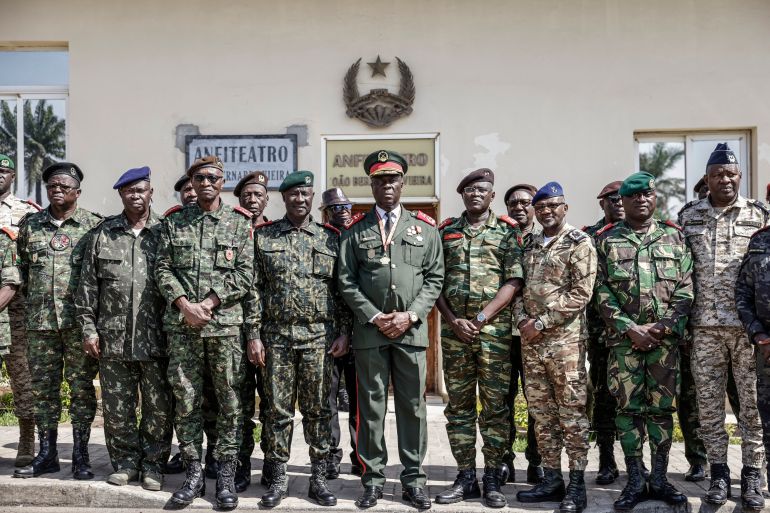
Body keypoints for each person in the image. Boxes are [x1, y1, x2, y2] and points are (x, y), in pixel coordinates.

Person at [337, 150, 444, 510]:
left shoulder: (425, 228)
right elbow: (346, 280)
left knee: (413, 408)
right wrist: (374, 315)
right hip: (370, 334)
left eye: (392, 179)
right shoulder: (355, 231)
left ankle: (413, 479)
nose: (387, 186)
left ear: (402, 184)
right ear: (372, 185)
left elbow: (434, 277)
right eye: (380, 180)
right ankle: (372, 479)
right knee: (371, 408)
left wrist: (410, 315)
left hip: (411, 334)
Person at [155, 155, 253, 509]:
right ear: (192, 183)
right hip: (183, 328)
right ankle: (194, 474)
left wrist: (208, 304)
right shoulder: (174, 223)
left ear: (222, 182)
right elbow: (162, 269)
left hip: (224, 328)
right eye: (200, 177)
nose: (207, 182)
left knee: (229, 401)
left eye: (213, 177)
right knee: (187, 401)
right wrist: (185, 306)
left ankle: (224, 475)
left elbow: (245, 274)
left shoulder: (239, 224)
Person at [248, 171, 351, 508]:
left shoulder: (330, 239)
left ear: (311, 198)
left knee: (319, 411)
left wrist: (344, 332)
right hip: (276, 337)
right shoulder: (264, 237)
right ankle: (277, 480)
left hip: (319, 338)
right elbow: (254, 291)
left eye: (306, 194)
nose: (300, 199)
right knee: (276, 412)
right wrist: (253, 335)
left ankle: (318, 480)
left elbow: (341, 292)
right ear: (284, 198)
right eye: (294, 194)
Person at [594, 172, 692, 510]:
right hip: (624, 343)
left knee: (662, 410)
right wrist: (629, 328)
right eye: (632, 196)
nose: (640, 200)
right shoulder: (606, 240)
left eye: (646, 194)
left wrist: (662, 328)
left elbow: (686, 289)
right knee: (628, 410)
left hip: (664, 345)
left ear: (654, 197)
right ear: (623, 201)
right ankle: (635, 478)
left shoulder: (675, 238)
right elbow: (600, 290)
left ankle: (661, 478)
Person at [678, 142, 767, 510]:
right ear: (707, 179)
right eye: (717, 175)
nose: (725, 180)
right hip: (704, 329)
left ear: (739, 177)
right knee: (709, 405)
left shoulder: (758, 215)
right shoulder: (689, 217)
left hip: (749, 330)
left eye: (730, 174)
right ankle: (717, 475)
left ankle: (751, 477)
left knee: (752, 407)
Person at [75, 166, 172, 491]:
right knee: (118, 410)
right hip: (113, 339)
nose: (135, 195)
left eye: (141, 190)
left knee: (158, 409)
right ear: (121, 195)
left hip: (157, 339)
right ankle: (126, 464)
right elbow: (87, 287)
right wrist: (88, 329)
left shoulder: (166, 232)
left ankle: (154, 466)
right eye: (129, 191)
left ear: (151, 193)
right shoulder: (104, 234)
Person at [434, 169, 522, 508]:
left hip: (493, 335)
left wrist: (481, 318)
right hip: (455, 334)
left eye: (481, 190)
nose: (475, 194)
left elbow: (513, 281)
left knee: (496, 408)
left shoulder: (506, 232)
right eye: (469, 189)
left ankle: (493, 477)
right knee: (459, 408)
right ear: (462, 195)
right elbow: (435, 280)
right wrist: (454, 320)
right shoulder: (447, 232)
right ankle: (465, 477)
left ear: (491, 195)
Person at [13, 162, 103, 480]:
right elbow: (18, 271)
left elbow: (101, 278)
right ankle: (47, 453)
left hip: (79, 324)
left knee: (80, 390)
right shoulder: (31, 225)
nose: (58, 190)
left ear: (77, 191)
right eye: (52, 186)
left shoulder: (94, 226)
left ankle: (80, 456)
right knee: (44, 391)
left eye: (64, 186)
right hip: (40, 324)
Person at [512, 181, 595, 513]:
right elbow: (519, 288)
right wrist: (521, 322)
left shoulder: (579, 243)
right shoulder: (530, 243)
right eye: (541, 207)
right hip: (531, 345)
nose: (546, 212)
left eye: (553, 206)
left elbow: (581, 293)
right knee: (542, 415)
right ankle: (551, 479)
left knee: (572, 414)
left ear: (565, 208)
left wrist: (541, 323)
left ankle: (576, 484)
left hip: (566, 344)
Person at [581, 181, 624, 485]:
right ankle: (607, 460)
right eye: (613, 199)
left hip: (643, 336)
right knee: (605, 397)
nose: (620, 202)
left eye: (624, 197)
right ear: (602, 204)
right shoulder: (590, 237)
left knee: (641, 403)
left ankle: (640, 463)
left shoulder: (650, 232)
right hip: (602, 335)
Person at [0, 154, 41, 467]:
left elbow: (29, 262)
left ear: (13, 175)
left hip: (17, 312)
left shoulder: (27, 212)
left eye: (3, 170)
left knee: (22, 379)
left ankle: (27, 439)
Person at [502, 183, 543, 484]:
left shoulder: (548, 240)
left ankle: (536, 461)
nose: (518, 207)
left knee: (537, 401)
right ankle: (504, 460)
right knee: (502, 400)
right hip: (502, 334)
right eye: (512, 203)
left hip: (537, 336)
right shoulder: (500, 239)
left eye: (525, 202)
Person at [232, 171, 270, 492]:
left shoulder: (275, 233)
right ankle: (241, 466)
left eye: (258, 195)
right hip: (234, 333)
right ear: (239, 199)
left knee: (273, 404)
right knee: (239, 405)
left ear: (266, 199)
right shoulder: (229, 230)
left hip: (270, 334)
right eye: (247, 195)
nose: (253, 200)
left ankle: (271, 466)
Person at [318, 187, 360, 480]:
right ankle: (332, 455)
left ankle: (361, 457)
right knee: (327, 400)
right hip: (327, 334)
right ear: (326, 212)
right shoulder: (321, 239)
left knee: (359, 401)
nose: (341, 211)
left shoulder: (361, 237)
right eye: (335, 208)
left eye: (345, 206)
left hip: (359, 335)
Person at [736, 222, 770, 494]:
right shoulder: (759, 242)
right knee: (767, 417)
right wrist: (758, 335)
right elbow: (743, 294)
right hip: (767, 348)